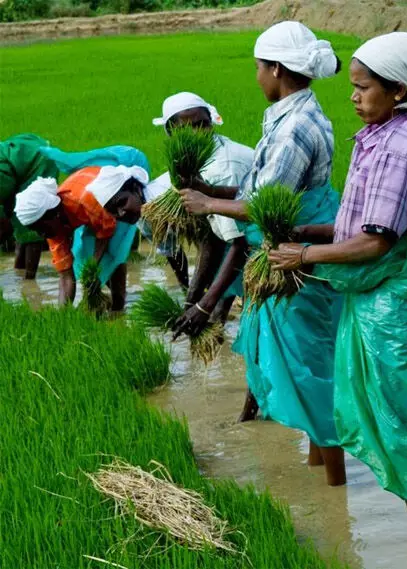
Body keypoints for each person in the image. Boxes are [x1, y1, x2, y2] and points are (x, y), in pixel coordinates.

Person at [267, 32, 407, 568]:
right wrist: (307, 230)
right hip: (374, 302)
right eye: (352, 87)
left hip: (395, 311)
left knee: (404, 428)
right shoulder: (375, 137)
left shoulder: (401, 148)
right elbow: (354, 222)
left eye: (363, 88)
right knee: (385, 424)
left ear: (398, 90)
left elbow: (378, 240)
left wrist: (304, 258)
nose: (352, 96)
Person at [179, 22, 346, 486]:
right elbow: (257, 187)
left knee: (309, 366)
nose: (255, 77)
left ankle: (336, 489)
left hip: (298, 251)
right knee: (311, 360)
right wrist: (210, 189)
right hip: (295, 243)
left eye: (258, 68)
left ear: (276, 68)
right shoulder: (295, 113)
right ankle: (319, 465)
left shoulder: (295, 128)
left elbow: (266, 201)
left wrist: (210, 204)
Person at [151, 91, 254, 321]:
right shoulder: (188, 163)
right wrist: (191, 301)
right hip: (231, 239)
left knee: (254, 316)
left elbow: (239, 243)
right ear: (171, 133)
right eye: (188, 128)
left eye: (203, 125)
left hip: (256, 243)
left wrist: (202, 306)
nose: (199, 133)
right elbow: (211, 238)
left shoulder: (224, 166)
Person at [14, 165, 149, 310]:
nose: (41, 235)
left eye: (41, 228)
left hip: (106, 201)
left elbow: (106, 231)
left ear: (54, 213)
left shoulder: (86, 201)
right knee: (82, 256)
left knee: (114, 253)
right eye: (36, 230)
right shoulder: (52, 231)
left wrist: (93, 267)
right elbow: (66, 277)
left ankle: (118, 307)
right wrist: (63, 315)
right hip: (86, 213)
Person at [0, 134, 59, 279]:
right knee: (18, 221)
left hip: (38, 162)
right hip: (22, 157)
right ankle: (19, 270)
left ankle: (29, 279)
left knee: (31, 220)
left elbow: (3, 222)